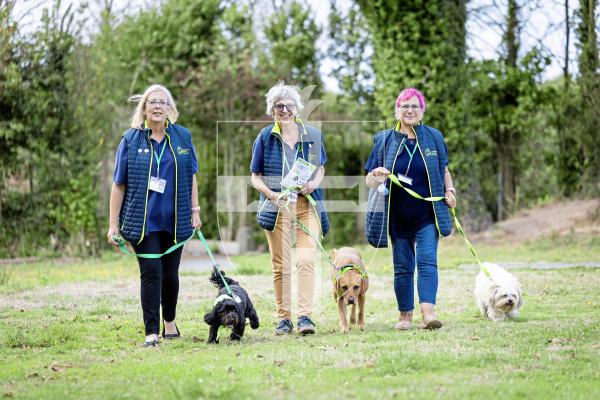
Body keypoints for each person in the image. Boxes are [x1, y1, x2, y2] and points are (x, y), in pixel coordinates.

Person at [107, 84, 201, 347]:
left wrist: (196, 210)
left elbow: (191, 176)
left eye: (163, 102)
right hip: (144, 223)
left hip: (175, 221)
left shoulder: (183, 137)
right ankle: (151, 333)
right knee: (151, 273)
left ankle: (169, 321)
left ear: (170, 108)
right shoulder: (130, 139)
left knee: (171, 275)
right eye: (152, 102)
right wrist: (113, 224)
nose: (158, 106)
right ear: (144, 109)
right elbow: (118, 184)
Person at [364, 87, 456, 330]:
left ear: (422, 110)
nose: (410, 110)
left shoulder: (434, 136)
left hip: (427, 215)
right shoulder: (383, 139)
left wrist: (450, 191)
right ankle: (405, 316)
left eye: (415, 106)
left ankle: (429, 314)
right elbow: (369, 181)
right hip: (397, 217)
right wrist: (376, 174)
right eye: (404, 106)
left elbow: (444, 169)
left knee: (427, 262)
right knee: (403, 267)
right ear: (397, 111)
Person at [250, 81, 329, 335]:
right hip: (278, 207)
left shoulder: (313, 136)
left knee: (306, 260)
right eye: (278, 106)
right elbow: (255, 176)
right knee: (281, 264)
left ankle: (305, 317)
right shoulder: (264, 136)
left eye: (288, 105)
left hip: (307, 205)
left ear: (297, 108)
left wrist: (314, 183)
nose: (284, 110)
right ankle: (284, 319)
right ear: (272, 109)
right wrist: (272, 195)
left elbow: (321, 168)